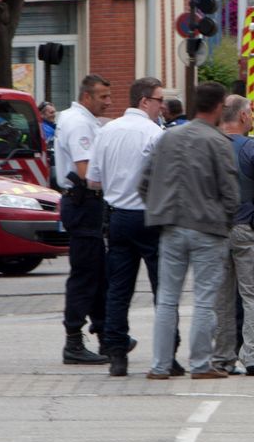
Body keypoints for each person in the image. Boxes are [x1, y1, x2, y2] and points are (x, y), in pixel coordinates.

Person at [141, 82, 239, 380]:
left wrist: (158, 209)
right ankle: (200, 364)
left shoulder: (167, 138)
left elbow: (144, 182)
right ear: (220, 107)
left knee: (167, 298)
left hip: (171, 226)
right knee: (205, 298)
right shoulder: (219, 142)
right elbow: (231, 194)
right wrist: (224, 219)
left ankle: (160, 365)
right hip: (208, 228)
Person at [88, 77, 173, 378]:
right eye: (159, 99)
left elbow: (93, 180)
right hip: (149, 216)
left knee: (118, 290)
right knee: (162, 288)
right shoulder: (154, 133)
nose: (163, 105)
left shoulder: (107, 131)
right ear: (144, 102)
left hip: (117, 216)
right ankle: (168, 355)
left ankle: (116, 354)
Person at [211, 95, 254, 376]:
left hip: (214, 231)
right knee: (253, 294)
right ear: (241, 116)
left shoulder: (209, 146)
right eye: (250, 113)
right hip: (245, 230)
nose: (252, 118)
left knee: (222, 299)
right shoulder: (253, 149)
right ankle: (251, 357)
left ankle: (222, 358)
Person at [54, 74, 113, 365]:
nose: (108, 102)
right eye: (103, 96)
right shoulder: (79, 124)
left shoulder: (80, 119)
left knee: (98, 275)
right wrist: (119, 184)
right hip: (83, 203)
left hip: (85, 205)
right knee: (85, 276)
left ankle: (107, 335)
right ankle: (73, 342)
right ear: (87, 96)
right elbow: (86, 173)